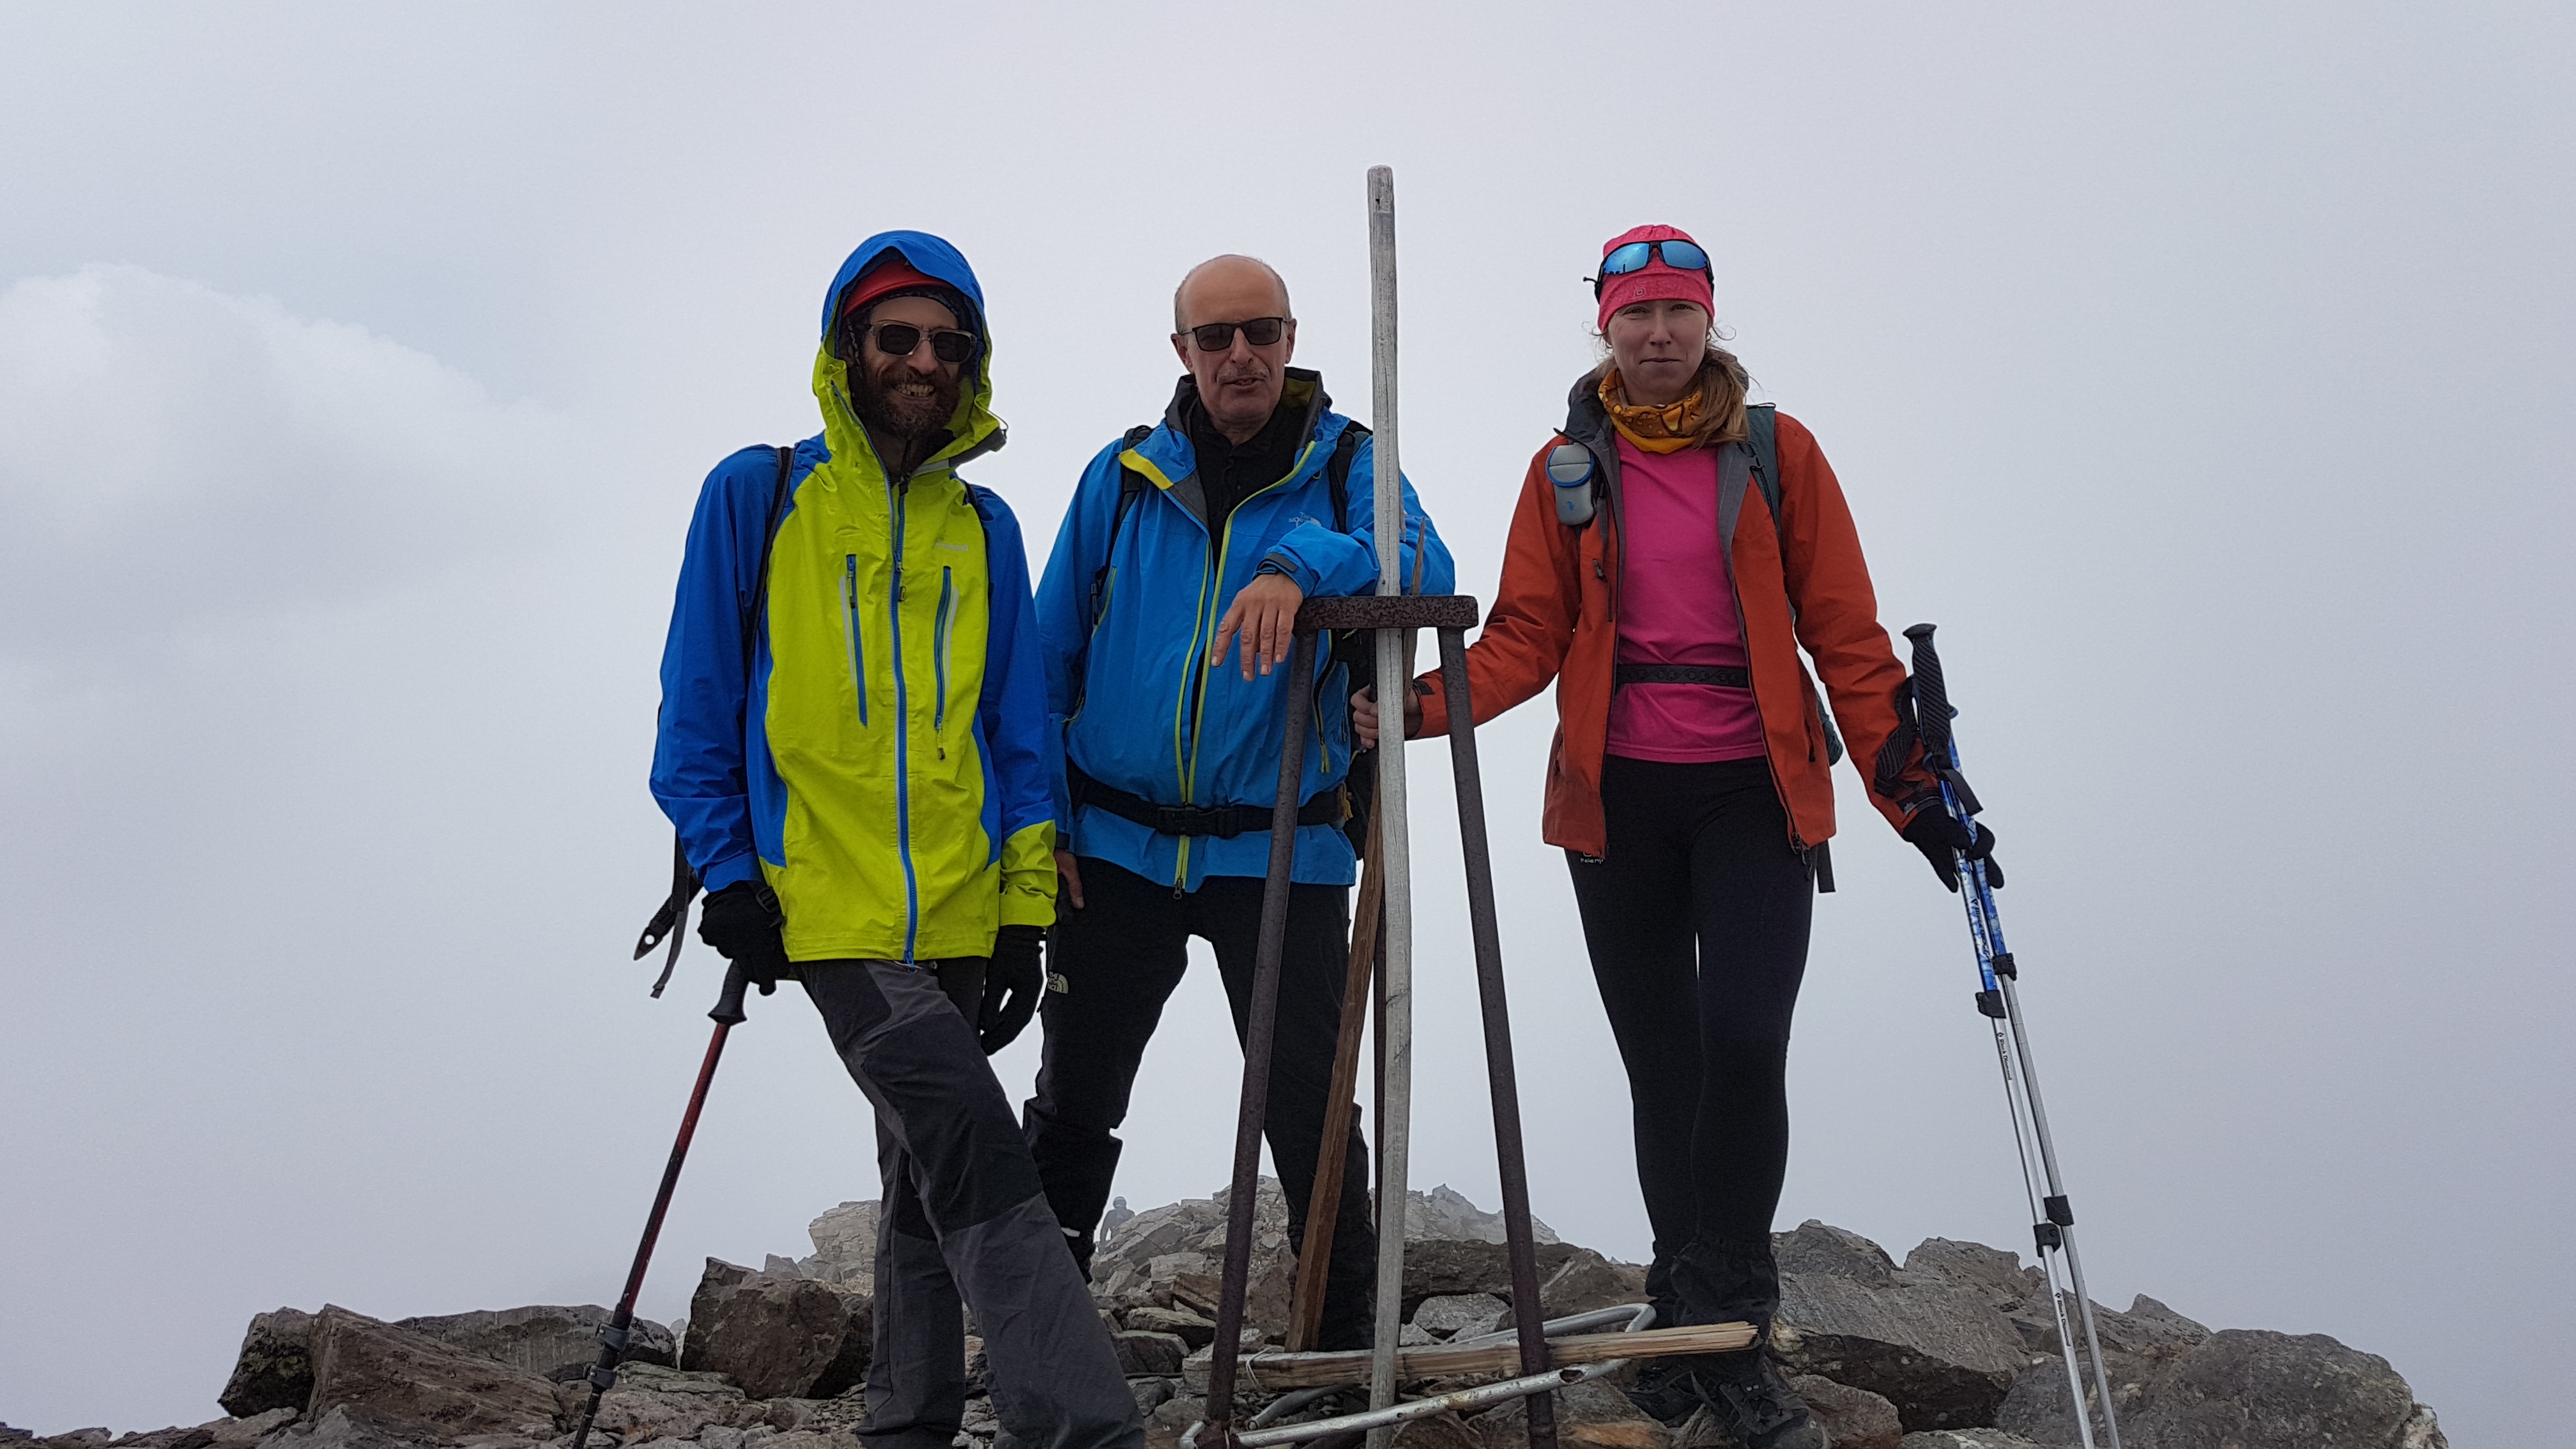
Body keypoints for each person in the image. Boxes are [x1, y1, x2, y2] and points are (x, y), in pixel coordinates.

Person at [1353, 225, 1996, 1448]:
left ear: (1710, 321)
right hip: (1619, 803)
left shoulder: (1777, 453)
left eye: (1677, 313)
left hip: (1755, 792)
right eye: (1636, 315)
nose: (1658, 334)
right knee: (1664, 1067)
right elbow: (1526, 639)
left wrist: (1913, 796)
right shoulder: (1565, 470)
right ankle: (1683, 1310)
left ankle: (1733, 1326)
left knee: (1745, 1044)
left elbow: (1846, 636)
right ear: (1606, 327)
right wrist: (1415, 710)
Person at [650, 231, 1142, 1449]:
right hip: (827, 908)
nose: (924, 361)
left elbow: (1016, 732)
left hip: (966, 909)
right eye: (897, 338)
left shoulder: (985, 525)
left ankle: (906, 1424)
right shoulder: (761, 494)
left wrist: (1024, 912)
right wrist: (728, 872)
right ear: (847, 348)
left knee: (925, 1179)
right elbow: (698, 704)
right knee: (976, 1147)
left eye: (947, 343)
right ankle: (1085, 1429)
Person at [1025, 254, 1453, 1350]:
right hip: (1111, 842)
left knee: (1310, 1103)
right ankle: (1044, 1341)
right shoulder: (1125, 475)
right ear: (1182, 352)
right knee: (1076, 1097)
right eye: (1214, 337)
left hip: (1281, 846)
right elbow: (1045, 659)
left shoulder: (1350, 460)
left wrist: (1293, 566)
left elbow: (1417, 556)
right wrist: (1043, 826)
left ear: (1292, 336)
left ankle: (1339, 1341)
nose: (1240, 356)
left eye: (1260, 331)